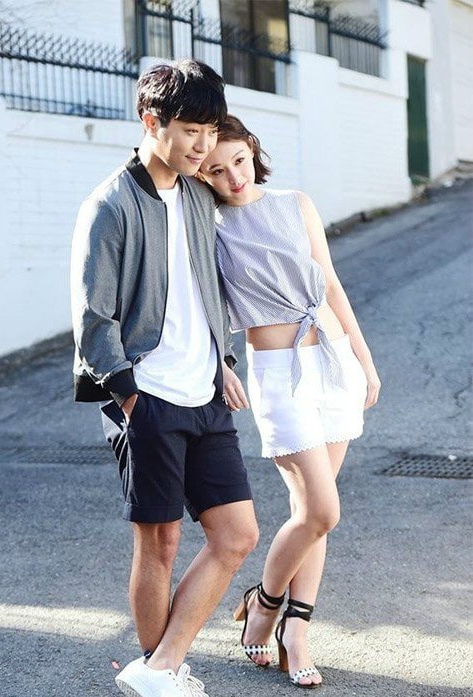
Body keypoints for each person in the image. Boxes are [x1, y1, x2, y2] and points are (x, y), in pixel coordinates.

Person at [70, 65, 258, 697]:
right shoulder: (111, 205)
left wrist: (222, 358)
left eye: (210, 129)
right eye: (190, 130)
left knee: (236, 536)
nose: (203, 145)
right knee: (161, 544)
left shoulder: (198, 194)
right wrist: (129, 396)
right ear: (151, 122)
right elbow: (93, 318)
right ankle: (162, 674)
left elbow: (206, 284)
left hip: (205, 393)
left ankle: (157, 669)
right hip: (146, 396)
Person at [197, 115, 381, 689]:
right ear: (201, 174)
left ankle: (295, 631)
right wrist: (222, 364)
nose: (233, 178)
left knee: (313, 516)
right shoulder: (208, 224)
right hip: (278, 374)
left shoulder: (295, 204)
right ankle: (265, 603)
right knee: (321, 511)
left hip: (331, 358)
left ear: (253, 151)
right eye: (216, 170)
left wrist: (364, 358)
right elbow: (200, 304)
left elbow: (330, 283)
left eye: (239, 162)